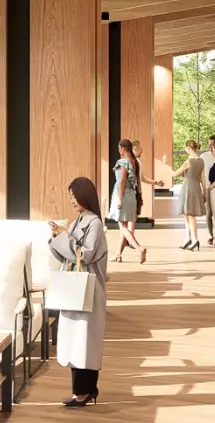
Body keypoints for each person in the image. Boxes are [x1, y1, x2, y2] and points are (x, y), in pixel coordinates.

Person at [49, 177, 109, 407]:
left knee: (85, 340)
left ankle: (84, 392)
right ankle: (82, 391)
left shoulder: (94, 223)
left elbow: (86, 254)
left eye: (75, 195)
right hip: (75, 289)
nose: (72, 200)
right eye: (70, 196)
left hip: (87, 289)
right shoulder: (80, 220)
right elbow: (67, 252)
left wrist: (65, 235)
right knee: (75, 339)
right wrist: (58, 236)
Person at [110, 139, 147, 263]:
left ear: (122, 148)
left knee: (122, 227)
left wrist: (119, 198)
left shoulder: (123, 162)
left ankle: (139, 248)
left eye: (119, 148)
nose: (119, 150)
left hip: (124, 195)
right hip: (132, 195)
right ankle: (118, 254)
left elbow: (122, 181)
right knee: (124, 227)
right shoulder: (134, 161)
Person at [173, 138, 209, 251]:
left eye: (186, 148)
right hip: (196, 187)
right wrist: (204, 193)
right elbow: (203, 180)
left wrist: (165, 165)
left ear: (189, 148)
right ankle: (187, 239)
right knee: (187, 214)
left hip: (187, 188)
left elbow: (175, 174)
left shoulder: (188, 161)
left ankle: (195, 239)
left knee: (190, 215)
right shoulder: (201, 161)